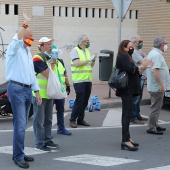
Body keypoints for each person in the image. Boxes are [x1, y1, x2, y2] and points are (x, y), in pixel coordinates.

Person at [6, 10, 42, 169]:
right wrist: (25, 22)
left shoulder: (28, 52)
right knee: (20, 125)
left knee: (22, 124)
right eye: (29, 35)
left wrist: (37, 91)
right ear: (22, 35)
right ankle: (18, 156)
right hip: (16, 89)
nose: (32, 38)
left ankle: (19, 151)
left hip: (27, 90)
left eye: (32, 36)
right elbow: (16, 39)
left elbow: (31, 74)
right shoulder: (14, 48)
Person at [115, 40, 153, 151]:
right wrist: (142, 65)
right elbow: (132, 70)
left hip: (129, 89)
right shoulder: (123, 57)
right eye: (130, 47)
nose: (132, 48)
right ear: (125, 48)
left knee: (127, 113)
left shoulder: (128, 57)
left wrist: (144, 67)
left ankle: (127, 137)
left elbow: (137, 72)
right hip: (126, 90)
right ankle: (125, 140)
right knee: (126, 114)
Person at [32, 37, 59, 152]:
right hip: (40, 94)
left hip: (49, 94)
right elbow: (48, 74)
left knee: (48, 120)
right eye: (47, 44)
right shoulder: (37, 58)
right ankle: (39, 143)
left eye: (50, 44)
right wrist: (52, 63)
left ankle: (47, 140)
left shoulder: (48, 58)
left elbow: (55, 76)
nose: (50, 46)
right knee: (39, 120)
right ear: (41, 46)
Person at [69, 34, 96, 128]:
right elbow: (77, 64)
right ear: (81, 42)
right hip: (79, 79)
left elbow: (90, 66)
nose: (88, 43)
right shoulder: (75, 51)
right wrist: (89, 60)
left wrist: (93, 61)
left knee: (85, 100)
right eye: (87, 41)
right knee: (79, 100)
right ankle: (72, 119)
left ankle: (80, 118)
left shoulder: (87, 51)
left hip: (87, 79)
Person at [146, 36, 170, 135]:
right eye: (166, 43)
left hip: (155, 86)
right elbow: (154, 70)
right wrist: (161, 85)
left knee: (158, 106)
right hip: (157, 87)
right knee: (155, 107)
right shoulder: (157, 55)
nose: (167, 45)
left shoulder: (153, 53)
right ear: (161, 45)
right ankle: (151, 128)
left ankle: (155, 124)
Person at [51, 44, 72, 135]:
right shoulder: (47, 62)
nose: (56, 55)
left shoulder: (60, 62)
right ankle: (46, 131)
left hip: (60, 91)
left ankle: (61, 128)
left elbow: (64, 73)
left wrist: (67, 85)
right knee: (48, 112)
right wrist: (51, 62)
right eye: (54, 53)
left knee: (60, 110)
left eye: (57, 53)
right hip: (51, 91)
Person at [130, 35, 148, 124]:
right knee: (135, 97)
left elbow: (148, 60)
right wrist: (145, 60)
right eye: (139, 42)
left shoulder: (140, 51)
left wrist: (146, 60)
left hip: (142, 76)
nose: (141, 43)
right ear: (133, 43)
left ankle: (137, 114)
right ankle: (133, 117)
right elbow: (143, 62)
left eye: (141, 41)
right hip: (137, 77)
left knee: (139, 97)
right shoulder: (133, 52)